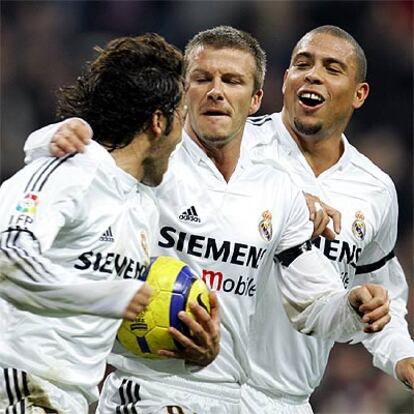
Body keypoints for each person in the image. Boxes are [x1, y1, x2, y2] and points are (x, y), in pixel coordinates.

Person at [22, 26, 391, 414]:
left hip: (230, 398)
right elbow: (64, 154)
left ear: (255, 100)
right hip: (149, 389)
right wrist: (54, 136)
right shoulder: (153, 160)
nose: (216, 90)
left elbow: (313, 305)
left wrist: (352, 306)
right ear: (182, 92)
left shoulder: (279, 190)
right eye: (202, 78)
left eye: (232, 81)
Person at [0, 33, 196, 414]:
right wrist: (106, 296)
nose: (182, 137)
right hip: (15, 384)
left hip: (68, 397)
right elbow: (7, 258)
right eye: (181, 119)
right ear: (159, 122)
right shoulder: (71, 169)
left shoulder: (144, 205)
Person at [240, 25, 414, 413]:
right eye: (303, 64)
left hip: (290, 400)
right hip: (210, 387)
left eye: (332, 68)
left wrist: (401, 355)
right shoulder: (237, 147)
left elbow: (379, 296)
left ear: (359, 94)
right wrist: (284, 202)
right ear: (286, 81)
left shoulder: (375, 189)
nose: (313, 74)